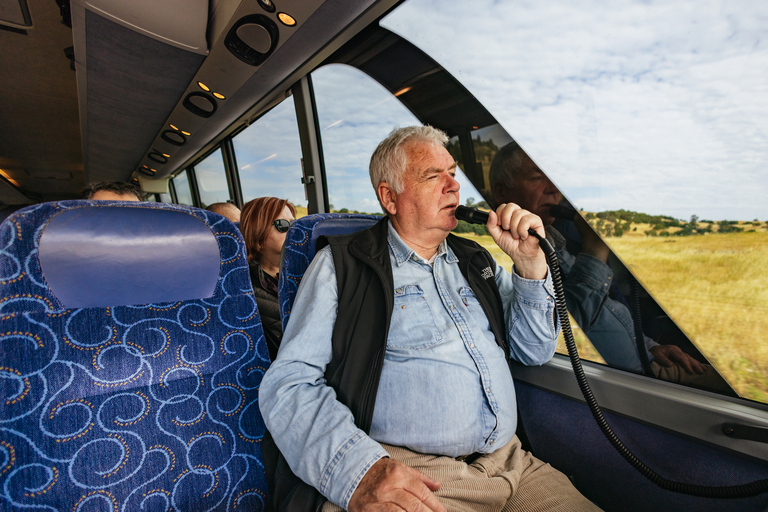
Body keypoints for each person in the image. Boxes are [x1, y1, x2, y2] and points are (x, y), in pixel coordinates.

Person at [260, 126, 601, 512]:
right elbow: (289, 384)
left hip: (512, 466)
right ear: (390, 197)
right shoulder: (341, 266)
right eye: (433, 175)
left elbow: (534, 350)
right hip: (419, 479)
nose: (454, 186)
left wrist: (529, 266)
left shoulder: (477, 261)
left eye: (453, 172)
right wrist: (359, 470)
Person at [488, 141, 724, 387]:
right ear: (501, 192)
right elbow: (564, 333)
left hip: (646, 364)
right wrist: (594, 249)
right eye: (538, 178)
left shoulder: (554, 240)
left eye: (554, 179)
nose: (553, 189)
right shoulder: (504, 254)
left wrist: (650, 347)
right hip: (622, 385)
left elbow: (603, 311)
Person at [240, 197, 295, 360]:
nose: (293, 231)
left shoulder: (309, 269)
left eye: (295, 225)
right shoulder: (242, 285)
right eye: (283, 225)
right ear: (258, 233)